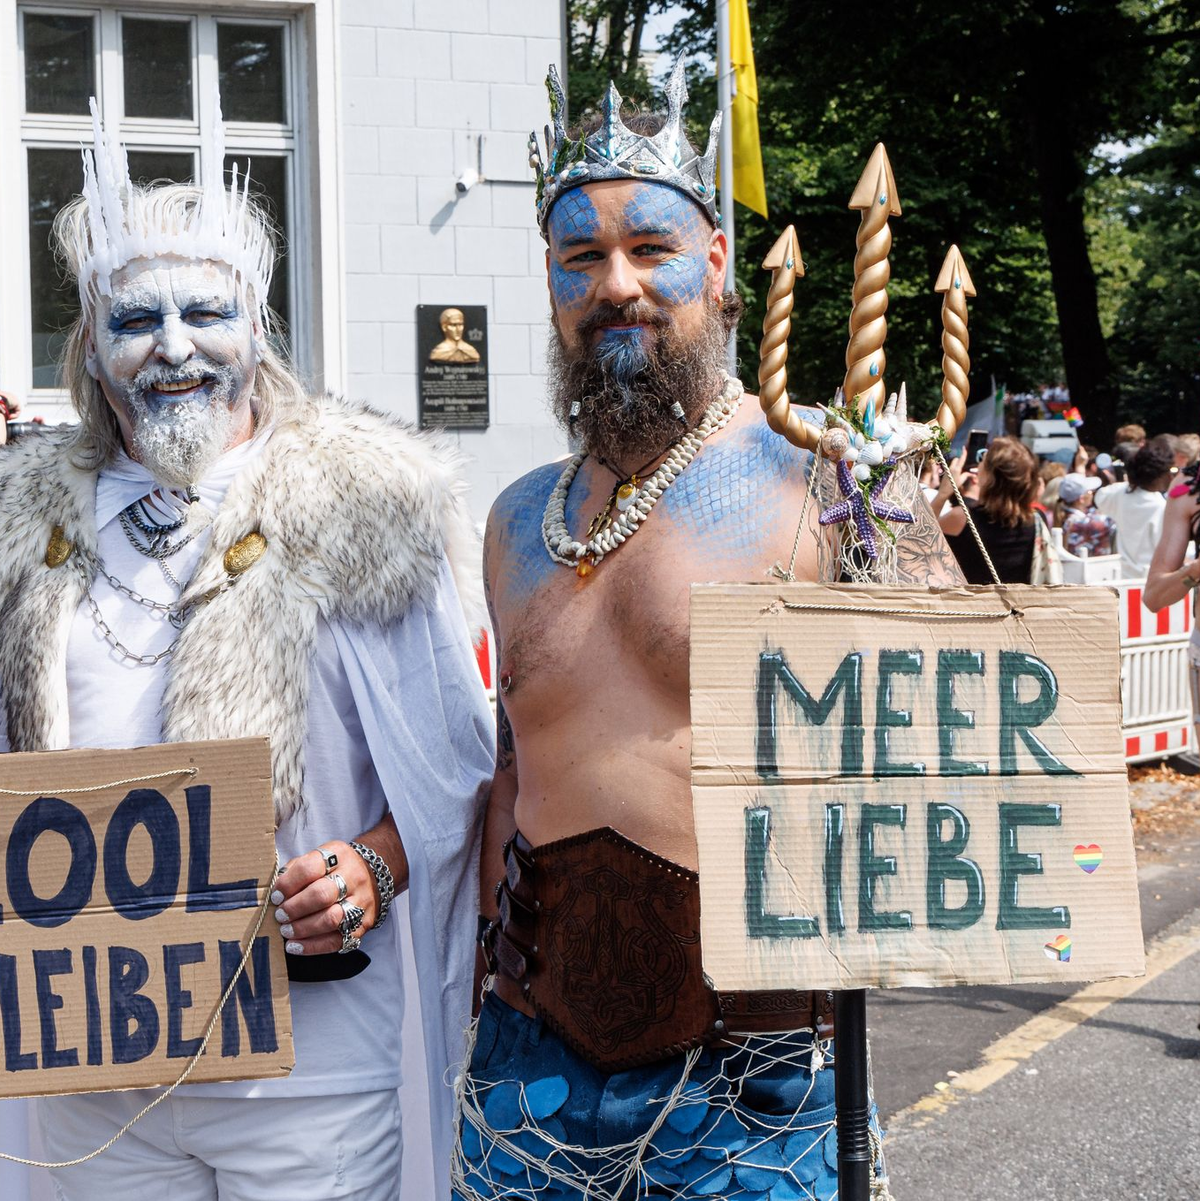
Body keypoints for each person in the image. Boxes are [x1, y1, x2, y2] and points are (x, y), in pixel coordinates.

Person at [453, 63, 965, 1201]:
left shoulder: (826, 469)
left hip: (763, 1072)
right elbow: (508, 772)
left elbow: (961, 717)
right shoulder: (514, 521)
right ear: (550, 286)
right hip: (529, 1065)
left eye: (652, 248)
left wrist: (895, 525)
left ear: (721, 268)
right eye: (580, 257)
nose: (617, 283)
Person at [0, 96, 493, 1201]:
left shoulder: (360, 502)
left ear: (255, 329)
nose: (172, 348)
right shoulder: (20, 522)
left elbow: (452, 765)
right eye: (135, 322)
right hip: (94, 1076)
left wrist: (372, 866)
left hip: (308, 1069)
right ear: (91, 349)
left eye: (202, 313)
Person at [935, 435, 1052, 584]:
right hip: (1021, 605)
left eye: (983, 458)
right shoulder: (1037, 519)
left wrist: (942, 494)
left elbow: (916, 539)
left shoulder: (962, 518)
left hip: (974, 606)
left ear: (990, 477)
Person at [1094, 440, 1174, 578]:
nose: (1171, 477)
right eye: (1169, 471)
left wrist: (1126, 483)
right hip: (1150, 577)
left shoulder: (1120, 493)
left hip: (1123, 575)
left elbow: (1099, 497)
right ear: (1155, 475)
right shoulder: (1159, 506)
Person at [1055, 472, 1115, 557]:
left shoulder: (1064, 516)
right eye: (1091, 491)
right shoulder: (1080, 522)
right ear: (1082, 499)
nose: (1093, 494)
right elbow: (1113, 520)